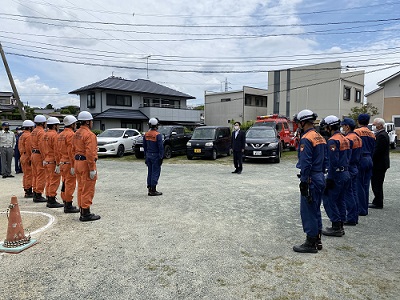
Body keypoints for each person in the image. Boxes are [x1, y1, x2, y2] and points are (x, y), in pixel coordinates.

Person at [293, 109, 327, 254]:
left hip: (311, 178)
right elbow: (326, 159)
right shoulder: (320, 136)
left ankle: (310, 241)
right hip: (319, 176)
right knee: (316, 209)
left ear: (302, 122)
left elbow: (306, 162)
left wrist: (304, 181)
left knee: (308, 210)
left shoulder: (306, 138)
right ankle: (317, 239)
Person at [321, 115, 351, 237]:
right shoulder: (344, 138)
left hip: (337, 174)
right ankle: (341, 224)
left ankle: (336, 225)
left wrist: (330, 178)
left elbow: (333, 161)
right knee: (341, 200)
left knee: (328, 199)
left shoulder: (332, 141)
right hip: (346, 172)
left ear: (329, 127)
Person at [72, 111, 100, 221]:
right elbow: (90, 153)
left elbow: (72, 149)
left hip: (77, 162)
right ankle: (86, 212)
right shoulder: (89, 135)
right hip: (85, 164)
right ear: (88, 122)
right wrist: (92, 168)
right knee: (88, 188)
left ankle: (82, 209)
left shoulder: (76, 133)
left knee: (80, 187)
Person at [341, 118, 362, 226]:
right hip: (355, 166)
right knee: (354, 192)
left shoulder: (348, 139)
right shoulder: (358, 138)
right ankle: (354, 216)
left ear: (347, 126)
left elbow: (346, 155)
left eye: (343, 126)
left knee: (348, 194)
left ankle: (350, 218)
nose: (342, 128)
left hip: (349, 167)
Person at [57, 115, 79, 213]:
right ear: (72, 124)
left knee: (64, 183)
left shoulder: (60, 135)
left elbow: (56, 150)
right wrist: (73, 166)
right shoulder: (70, 135)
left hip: (62, 162)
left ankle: (65, 201)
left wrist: (58, 163)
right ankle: (68, 204)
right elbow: (71, 151)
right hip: (69, 162)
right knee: (70, 184)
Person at [354, 114, 375, 216]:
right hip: (369, 158)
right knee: (366, 185)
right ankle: (365, 208)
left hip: (360, 158)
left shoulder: (357, 132)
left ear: (358, 121)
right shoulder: (372, 133)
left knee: (358, 184)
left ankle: (360, 209)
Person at [43, 117, 64, 208]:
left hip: (46, 159)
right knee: (54, 180)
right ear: (55, 126)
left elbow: (41, 147)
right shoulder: (55, 135)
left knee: (48, 180)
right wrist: (58, 163)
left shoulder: (45, 135)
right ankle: (51, 198)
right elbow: (57, 150)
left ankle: (48, 196)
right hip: (52, 161)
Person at [369, 118, 390, 209]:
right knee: (376, 183)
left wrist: (371, 159)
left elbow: (377, 151)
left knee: (376, 183)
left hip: (379, 164)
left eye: (375, 125)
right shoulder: (382, 134)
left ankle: (378, 202)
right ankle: (377, 200)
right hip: (381, 164)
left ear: (380, 125)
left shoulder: (381, 136)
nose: (373, 127)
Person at [144, 117, 164, 196]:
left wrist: (145, 156)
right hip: (155, 155)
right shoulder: (157, 135)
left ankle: (149, 188)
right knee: (155, 172)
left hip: (148, 155)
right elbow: (160, 147)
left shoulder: (146, 134)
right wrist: (161, 157)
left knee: (150, 172)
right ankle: (153, 190)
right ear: (156, 125)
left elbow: (144, 146)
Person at [31, 115, 48, 202]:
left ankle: (35, 191)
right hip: (39, 155)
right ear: (42, 123)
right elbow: (42, 145)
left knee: (35, 174)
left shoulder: (34, 131)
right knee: (41, 174)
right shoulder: (41, 132)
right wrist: (44, 157)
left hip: (33, 153)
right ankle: (38, 194)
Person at [19, 120, 35, 198]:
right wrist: (30, 157)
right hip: (27, 156)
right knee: (29, 174)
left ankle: (26, 189)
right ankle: (29, 190)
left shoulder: (22, 135)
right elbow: (29, 148)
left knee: (25, 174)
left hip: (22, 156)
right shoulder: (28, 136)